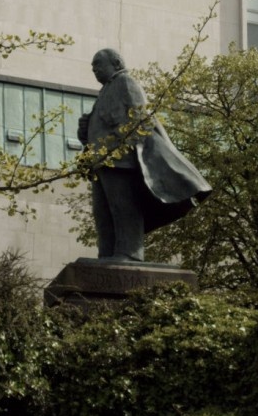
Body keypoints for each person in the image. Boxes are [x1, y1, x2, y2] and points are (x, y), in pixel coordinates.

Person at [77, 48, 211, 262]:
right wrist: (85, 132)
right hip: (100, 163)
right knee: (103, 213)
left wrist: (116, 146)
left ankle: (129, 253)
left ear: (117, 63)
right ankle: (107, 254)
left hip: (120, 161)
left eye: (98, 64)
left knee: (123, 207)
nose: (94, 69)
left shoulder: (125, 83)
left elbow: (140, 120)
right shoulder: (105, 91)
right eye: (92, 66)